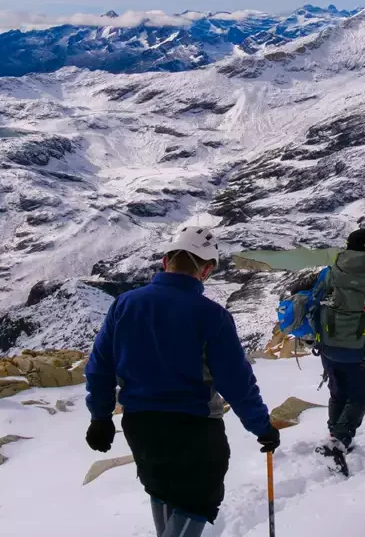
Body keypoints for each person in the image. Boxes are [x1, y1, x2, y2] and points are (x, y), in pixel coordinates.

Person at [84, 225, 281, 537]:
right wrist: (262, 426)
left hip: (140, 426)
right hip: (194, 431)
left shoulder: (125, 304)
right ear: (206, 269)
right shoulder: (211, 316)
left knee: (163, 491)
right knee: (196, 503)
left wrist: (100, 416)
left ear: (166, 262)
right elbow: (236, 382)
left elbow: (99, 367)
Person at [288, 228, 365, 465]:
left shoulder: (327, 276)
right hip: (364, 353)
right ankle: (339, 441)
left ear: (347, 248)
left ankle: (335, 437)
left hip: (329, 348)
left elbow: (295, 289)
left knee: (338, 392)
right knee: (361, 397)